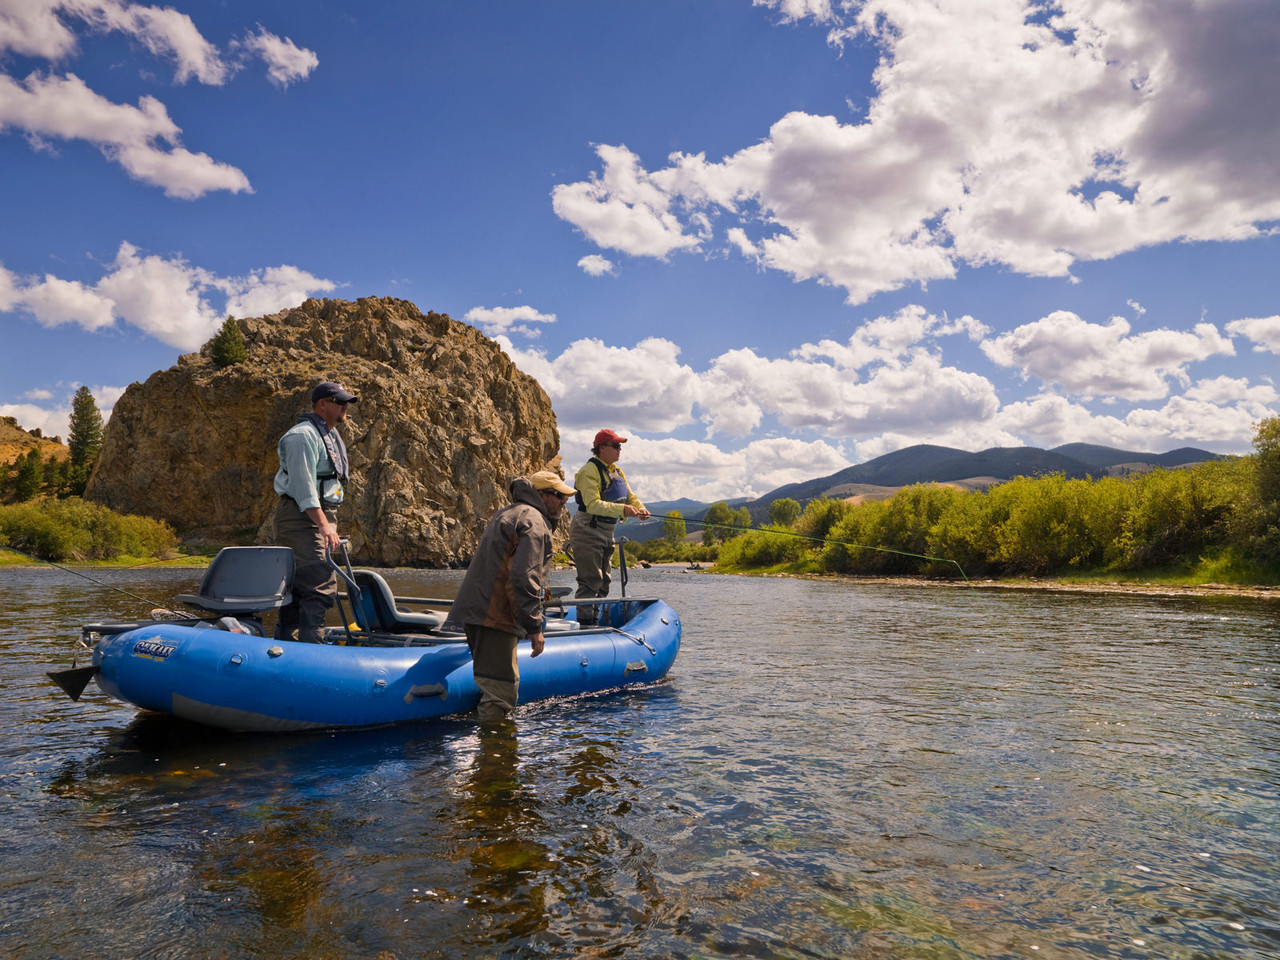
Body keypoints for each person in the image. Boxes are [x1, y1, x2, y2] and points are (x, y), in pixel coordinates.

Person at [447, 470, 575, 723]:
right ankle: (496, 757)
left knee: (491, 684)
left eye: (565, 497)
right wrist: (534, 626)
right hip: (496, 618)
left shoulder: (508, 512)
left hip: (478, 613)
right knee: (501, 692)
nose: (564, 501)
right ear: (541, 495)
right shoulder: (535, 522)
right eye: (559, 495)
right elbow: (524, 579)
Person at [272, 380, 357, 643]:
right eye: (339, 402)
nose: (345, 407)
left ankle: (290, 646)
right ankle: (313, 649)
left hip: (314, 516)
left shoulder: (328, 434)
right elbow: (303, 486)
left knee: (300, 587)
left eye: (347, 402)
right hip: (301, 518)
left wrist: (327, 522)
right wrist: (323, 524)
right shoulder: (302, 436)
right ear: (322, 404)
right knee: (319, 584)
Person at [569, 429, 649, 626]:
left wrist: (640, 509)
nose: (619, 450)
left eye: (620, 446)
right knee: (590, 580)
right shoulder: (588, 471)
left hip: (607, 531)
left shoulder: (617, 471)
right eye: (616, 446)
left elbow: (630, 496)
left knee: (604, 581)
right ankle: (586, 624)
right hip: (587, 529)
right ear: (602, 448)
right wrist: (624, 510)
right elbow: (592, 504)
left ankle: (593, 620)